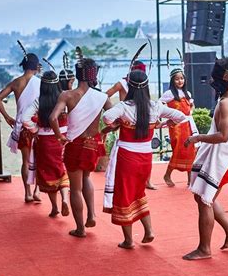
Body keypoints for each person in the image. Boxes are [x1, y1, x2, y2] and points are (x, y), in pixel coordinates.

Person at [102, 70, 185, 249]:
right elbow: (180, 116)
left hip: (127, 157)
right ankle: (148, 231)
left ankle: (128, 240)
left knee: (124, 195)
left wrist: (117, 123)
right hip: (145, 158)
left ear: (130, 87)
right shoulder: (155, 107)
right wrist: (162, 123)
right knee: (139, 193)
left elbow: (106, 117)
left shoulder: (124, 107)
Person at [182, 57, 228, 261]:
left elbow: (223, 136)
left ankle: (204, 249)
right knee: (202, 197)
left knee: (204, 200)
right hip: (224, 155)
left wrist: (197, 137)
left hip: (223, 158)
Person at [49, 57, 112, 238]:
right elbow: (115, 117)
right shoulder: (102, 97)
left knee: (75, 188)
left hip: (75, 144)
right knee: (86, 177)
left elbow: (53, 118)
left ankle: (80, 229)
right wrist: (105, 129)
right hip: (93, 143)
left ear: (77, 75)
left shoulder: (67, 95)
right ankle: (91, 214)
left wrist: (59, 136)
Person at [0, 51, 41, 203]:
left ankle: (27, 193)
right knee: (40, 160)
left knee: (26, 161)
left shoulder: (16, 82)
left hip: (22, 126)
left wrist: (7, 117)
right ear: (36, 66)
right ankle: (37, 191)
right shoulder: (40, 82)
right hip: (36, 125)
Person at [22, 71, 70, 218]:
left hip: (44, 142)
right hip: (62, 138)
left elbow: (25, 118)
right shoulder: (64, 99)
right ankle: (65, 199)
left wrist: (36, 129)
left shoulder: (39, 101)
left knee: (48, 174)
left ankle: (55, 207)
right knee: (63, 170)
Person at [106, 61, 157, 190]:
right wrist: (115, 110)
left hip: (143, 117)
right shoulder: (122, 83)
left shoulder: (144, 83)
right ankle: (130, 182)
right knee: (128, 147)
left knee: (145, 145)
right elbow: (105, 95)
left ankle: (147, 181)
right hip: (126, 116)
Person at [159, 68, 197, 187]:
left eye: (182, 78)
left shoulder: (187, 93)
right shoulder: (169, 94)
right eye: (177, 79)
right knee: (178, 151)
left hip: (188, 125)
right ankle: (167, 175)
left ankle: (190, 179)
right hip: (176, 127)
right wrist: (167, 119)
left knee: (191, 150)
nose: (180, 81)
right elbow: (158, 106)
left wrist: (190, 110)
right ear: (172, 80)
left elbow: (192, 107)